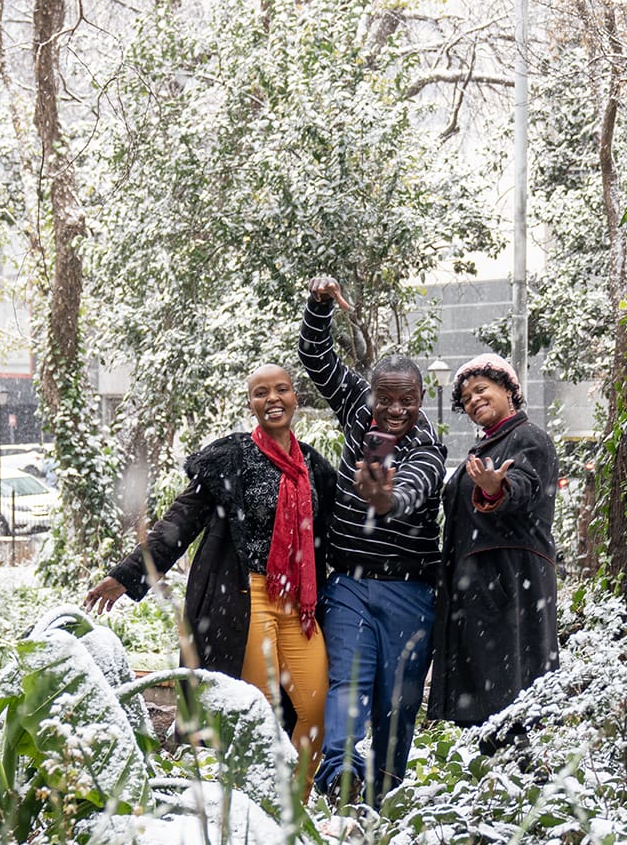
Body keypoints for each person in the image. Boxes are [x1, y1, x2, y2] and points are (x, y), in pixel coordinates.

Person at [84, 365, 338, 783]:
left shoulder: (314, 467)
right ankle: (253, 810)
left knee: (316, 710)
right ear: (250, 403)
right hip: (245, 600)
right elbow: (178, 522)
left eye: (281, 390)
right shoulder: (229, 459)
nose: (272, 399)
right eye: (260, 393)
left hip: (299, 605)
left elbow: (336, 533)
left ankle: (295, 809)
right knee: (259, 710)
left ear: (296, 397)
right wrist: (128, 575)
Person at [299, 275, 447, 806]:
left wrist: (384, 501)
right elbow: (318, 361)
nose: (395, 411)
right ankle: (339, 775)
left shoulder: (430, 447)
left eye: (407, 400)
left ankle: (383, 798)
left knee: (396, 704)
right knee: (348, 686)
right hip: (350, 586)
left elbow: (410, 491)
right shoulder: (360, 410)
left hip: (410, 594)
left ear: (421, 397)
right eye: (387, 399)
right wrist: (319, 305)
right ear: (373, 396)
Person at [429, 351, 560, 730]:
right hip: (479, 587)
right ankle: (486, 778)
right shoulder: (483, 448)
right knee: (485, 698)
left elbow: (524, 486)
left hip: (509, 584)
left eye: (482, 389)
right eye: (466, 398)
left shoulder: (527, 437)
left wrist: (497, 489)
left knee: (511, 694)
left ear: (509, 390)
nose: (474, 400)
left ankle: (519, 777)